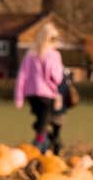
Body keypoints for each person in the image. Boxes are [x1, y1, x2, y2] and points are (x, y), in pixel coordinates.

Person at [13, 24, 64, 153]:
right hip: (46, 95)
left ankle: (46, 147)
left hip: (31, 95)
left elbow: (22, 76)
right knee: (42, 127)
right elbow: (57, 77)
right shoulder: (53, 55)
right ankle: (34, 151)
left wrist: (19, 98)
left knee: (42, 123)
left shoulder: (30, 54)